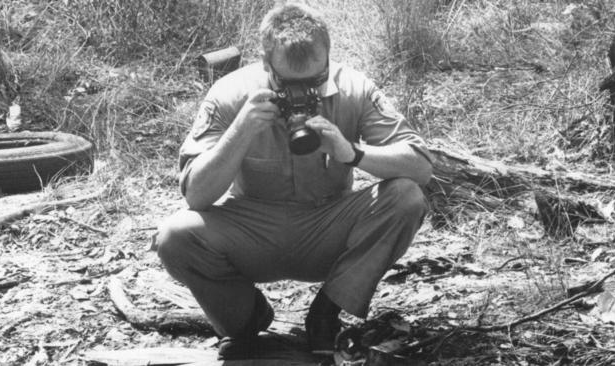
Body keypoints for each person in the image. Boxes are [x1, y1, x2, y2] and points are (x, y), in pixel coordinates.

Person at [156, 2, 434, 360]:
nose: (303, 94)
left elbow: (421, 168)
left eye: (316, 81)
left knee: (405, 196)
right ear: (265, 62)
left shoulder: (354, 88)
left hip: (328, 226)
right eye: (288, 83)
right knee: (174, 236)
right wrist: (241, 130)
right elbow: (195, 196)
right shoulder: (230, 93)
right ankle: (245, 319)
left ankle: (327, 311)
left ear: (329, 59)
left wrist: (352, 152)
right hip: (252, 230)